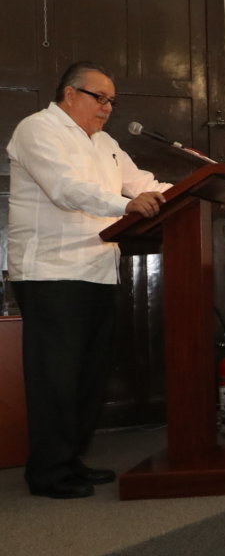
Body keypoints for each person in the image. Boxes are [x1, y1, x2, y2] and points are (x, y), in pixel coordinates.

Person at [7, 61, 170, 499]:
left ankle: (71, 459)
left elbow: (143, 183)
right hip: (51, 272)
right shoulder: (38, 130)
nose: (107, 108)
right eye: (100, 98)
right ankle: (48, 472)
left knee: (88, 376)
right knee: (56, 377)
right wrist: (125, 205)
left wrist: (191, 191)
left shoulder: (106, 144)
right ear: (69, 94)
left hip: (98, 270)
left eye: (112, 101)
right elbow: (65, 189)